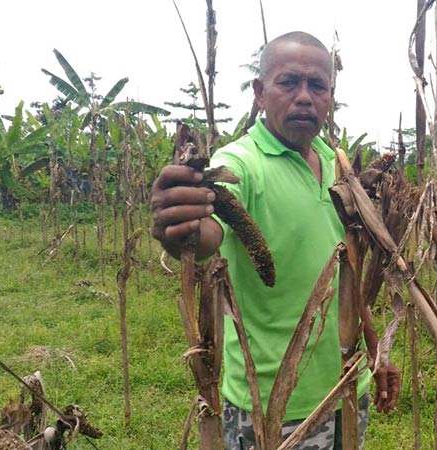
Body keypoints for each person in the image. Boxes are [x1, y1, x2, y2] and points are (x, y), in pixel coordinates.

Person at [151, 31, 400, 450]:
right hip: (272, 409)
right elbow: (209, 233)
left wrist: (375, 351)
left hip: (347, 389)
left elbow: (348, 272)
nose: (304, 96)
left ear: (330, 96)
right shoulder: (240, 164)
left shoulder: (336, 163)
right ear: (260, 93)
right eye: (288, 83)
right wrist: (182, 231)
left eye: (317, 85)